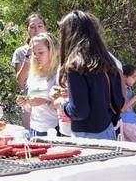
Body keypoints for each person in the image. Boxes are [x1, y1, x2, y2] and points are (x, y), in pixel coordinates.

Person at [52, 10, 124, 140]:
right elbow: (119, 100)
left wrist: (62, 103)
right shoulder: (107, 62)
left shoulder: (75, 66)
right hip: (108, 130)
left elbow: (79, 111)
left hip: (86, 136)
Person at [17, 33, 60, 137]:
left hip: (55, 130)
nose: (36, 57)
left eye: (41, 52)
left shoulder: (59, 73)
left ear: (52, 51)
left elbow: (65, 104)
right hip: (35, 129)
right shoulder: (33, 72)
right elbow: (30, 106)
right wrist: (24, 102)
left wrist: (45, 101)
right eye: (34, 53)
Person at [12, 13, 47, 129]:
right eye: (32, 27)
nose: (36, 30)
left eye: (40, 26)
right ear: (27, 30)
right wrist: (29, 57)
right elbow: (20, 82)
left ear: (45, 28)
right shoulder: (20, 52)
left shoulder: (55, 50)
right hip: (29, 104)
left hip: (50, 103)